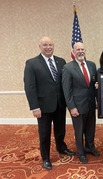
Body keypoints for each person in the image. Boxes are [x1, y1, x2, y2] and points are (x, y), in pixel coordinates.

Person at [23, 36, 75, 170]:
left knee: (60, 129)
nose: (48, 47)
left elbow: (65, 82)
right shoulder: (32, 63)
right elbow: (30, 87)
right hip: (43, 106)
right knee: (44, 133)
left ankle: (61, 147)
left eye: (50, 45)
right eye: (45, 45)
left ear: (53, 46)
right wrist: (34, 107)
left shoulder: (61, 61)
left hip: (60, 104)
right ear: (39, 47)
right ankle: (45, 158)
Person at [62, 42, 99, 164]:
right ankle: (81, 152)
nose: (80, 51)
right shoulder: (68, 68)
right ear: (73, 52)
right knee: (79, 131)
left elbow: (93, 84)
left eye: (82, 49)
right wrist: (71, 107)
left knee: (90, 128)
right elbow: (67, 91)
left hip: (90, 104)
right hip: (77, 106)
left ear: (85, 50)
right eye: (78, 49)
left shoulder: (92, 65)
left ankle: (90, 147)